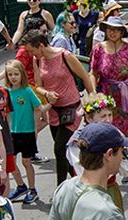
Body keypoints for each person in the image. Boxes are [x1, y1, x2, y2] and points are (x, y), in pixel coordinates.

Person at [22, 29, 93, 183]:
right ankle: (80, 181)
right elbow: (38, 85)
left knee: (59, 149)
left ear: (41, 45)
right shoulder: (37, 60)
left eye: (32, 50)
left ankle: (60, 188)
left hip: (71, 108)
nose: (31, 54)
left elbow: (85, 77)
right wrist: (47, 94)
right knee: (63, 151)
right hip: (53, 110)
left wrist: (92, 103)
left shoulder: (64, 56)